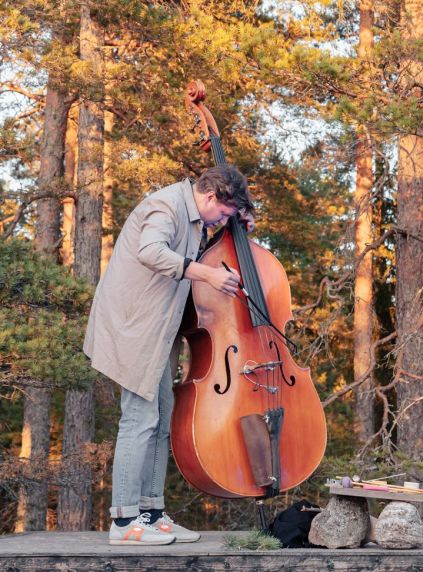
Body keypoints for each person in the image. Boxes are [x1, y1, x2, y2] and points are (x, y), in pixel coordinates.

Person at [84, 164, 255, 545]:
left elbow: (194, 256)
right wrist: (208, 275)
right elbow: (150, 251)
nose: (222, 220)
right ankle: (124, 522)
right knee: (139, 419)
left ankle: (151, 513)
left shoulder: (196, 218)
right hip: (136, 327)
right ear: (210, 196)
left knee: (161, 420)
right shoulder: (166, 206)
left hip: (161, 330)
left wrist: (237, 224)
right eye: (223, 212)